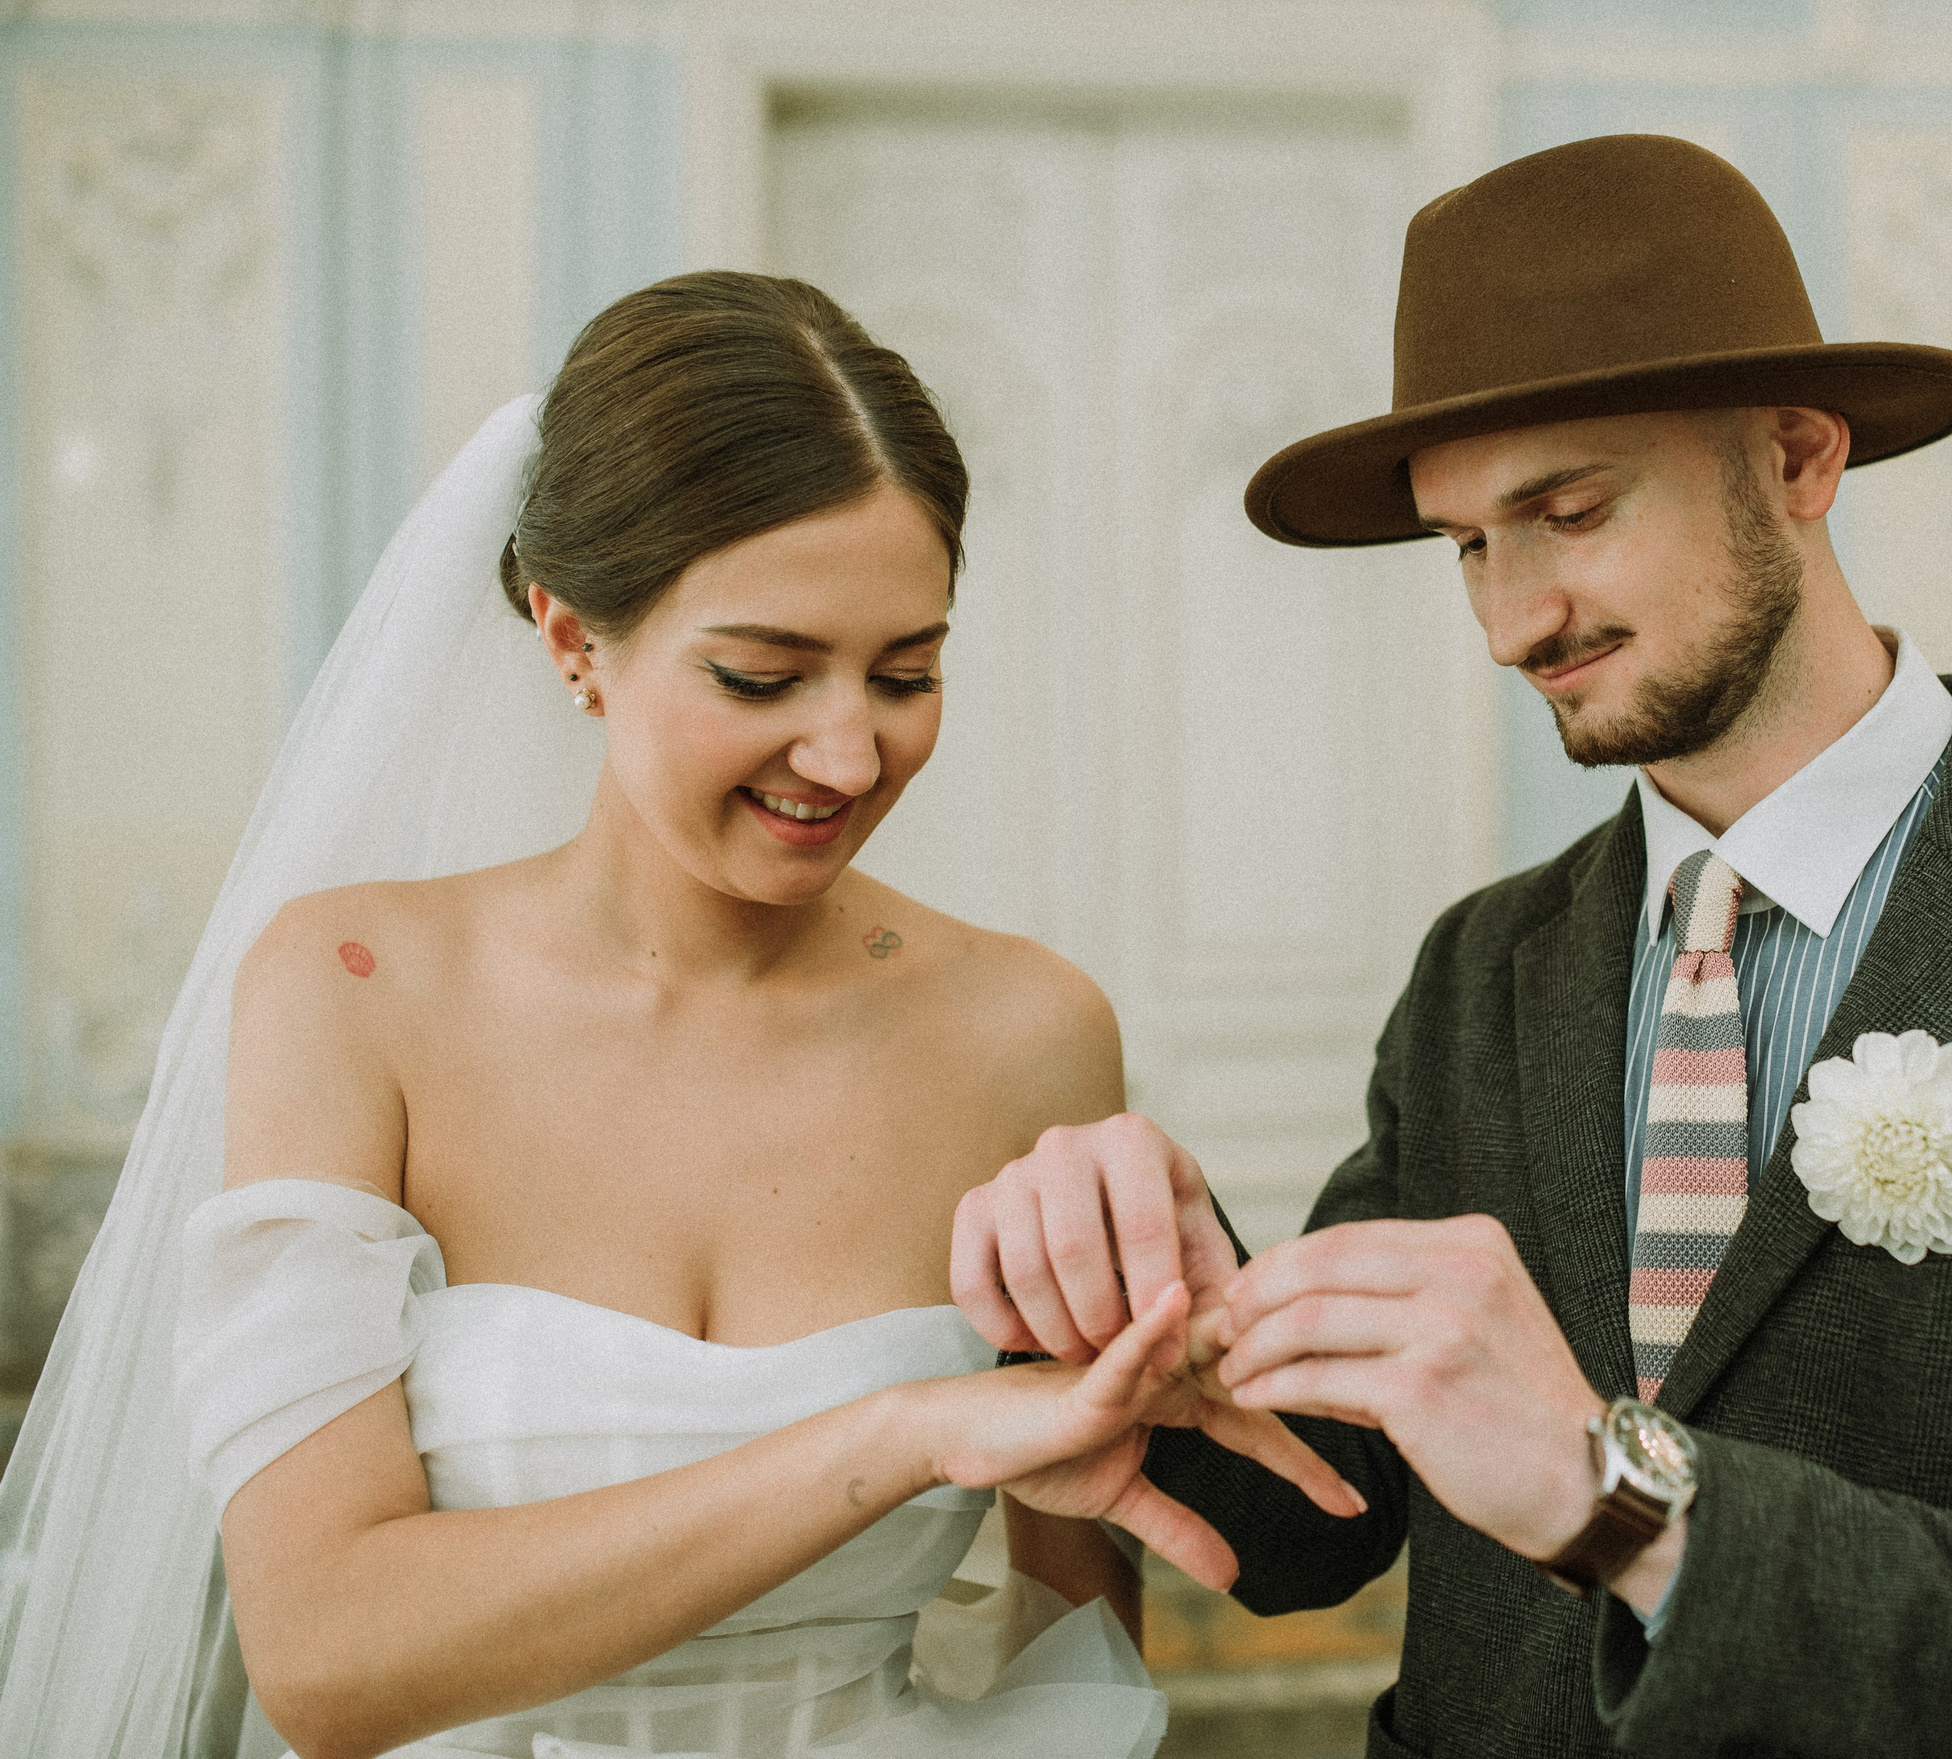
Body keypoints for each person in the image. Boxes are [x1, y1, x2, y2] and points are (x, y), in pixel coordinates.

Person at [950, 135, 1952, 1756]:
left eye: (1566, 510)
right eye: (1466, 546)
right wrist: (1152, 1309)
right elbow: (1318, 1519)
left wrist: (1637, 1507)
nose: (1516, 619)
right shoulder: (1482, 972)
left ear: (1796, 456)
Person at [0, 272, 1353, 1759]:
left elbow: (1075, 1610)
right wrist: (892, 1434)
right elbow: (324, 1654)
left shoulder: (1029, 1028)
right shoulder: (354, 990)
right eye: (763, 674)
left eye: (908, 670)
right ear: (574, 639)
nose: (848, 751)